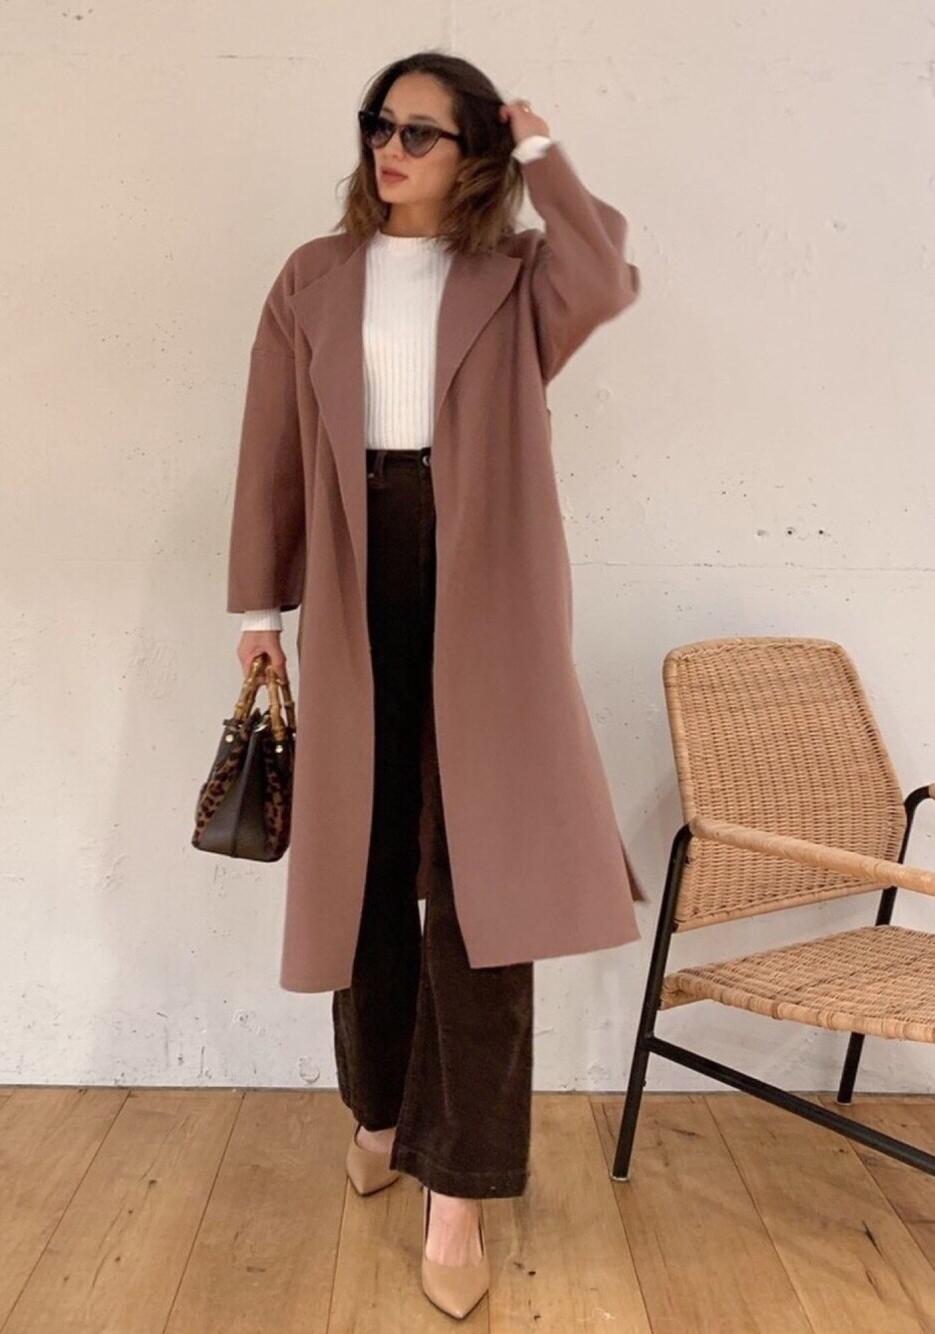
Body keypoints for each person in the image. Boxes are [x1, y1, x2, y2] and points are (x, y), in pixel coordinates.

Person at [228, 50, 641, 1321]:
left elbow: (606, 276)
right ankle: (380, 1106)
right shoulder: (313, 274)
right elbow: (271, 443)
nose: (389, 148)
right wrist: (260, 609)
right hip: (358, 564)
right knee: (362, 861)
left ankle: (456, 1188)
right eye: (378, 124)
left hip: (487, 579)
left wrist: (542, 148)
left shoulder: (514, 277)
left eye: (420, 131)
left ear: (472, 157)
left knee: (481, 885)